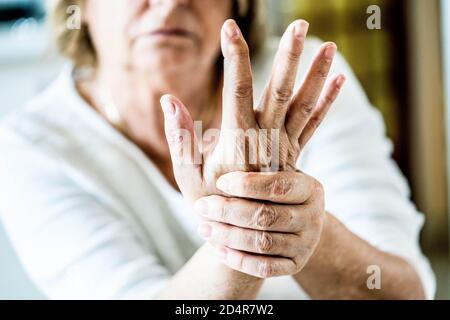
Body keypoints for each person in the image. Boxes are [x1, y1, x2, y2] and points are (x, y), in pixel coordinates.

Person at [0, 0, 435, 299]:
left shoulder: (306, 82)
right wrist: (247, 216)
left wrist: (297, 222)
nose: (171, 3)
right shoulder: (33, 146)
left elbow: (402, 290)